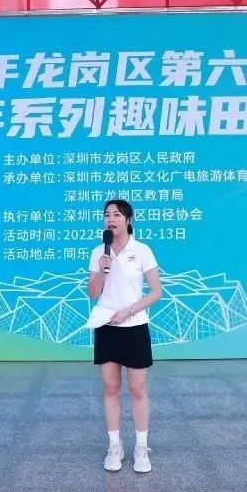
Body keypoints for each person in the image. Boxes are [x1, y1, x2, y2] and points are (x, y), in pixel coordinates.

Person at [87, 199, 162, 473]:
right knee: (110, 388)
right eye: (107, 215)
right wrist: (101, 271)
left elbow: (156, 292)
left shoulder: (142, 250)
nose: (110, 219)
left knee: (138, 389)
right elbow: (92, 293)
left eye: (117, 215)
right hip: (106, 326)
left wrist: (129, 311)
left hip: (135, 327)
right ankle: (114, 446)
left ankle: (141, 447)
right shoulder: (99, 252)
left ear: (128, 220)